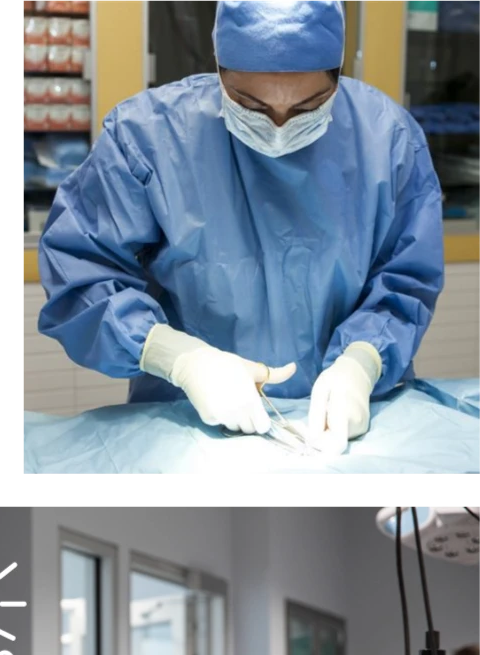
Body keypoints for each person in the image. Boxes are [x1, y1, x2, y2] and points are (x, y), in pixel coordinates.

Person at [38, 0, 444, 454]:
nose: (277, 127)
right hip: (189, 423)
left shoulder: (388, 141)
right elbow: (81, 271)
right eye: (250, 104)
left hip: (347, 426)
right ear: (219, 67)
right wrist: (179, 359)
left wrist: (363, 360)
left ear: (338, 75)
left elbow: (406, 279)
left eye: (308, 106)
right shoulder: (148, 137)